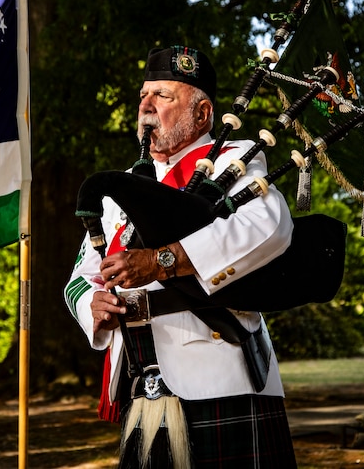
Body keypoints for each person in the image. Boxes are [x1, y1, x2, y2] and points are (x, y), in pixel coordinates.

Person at [64, 45, 297, 468]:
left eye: (163, 96)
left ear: (203, 114)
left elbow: (270, 226)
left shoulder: (234, 161)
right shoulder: (124, 188)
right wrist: (91, 306)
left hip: (220, 379)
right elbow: (81, 276)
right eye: (143, 96)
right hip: (140, 383)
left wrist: (163, 260)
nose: (146, 107)